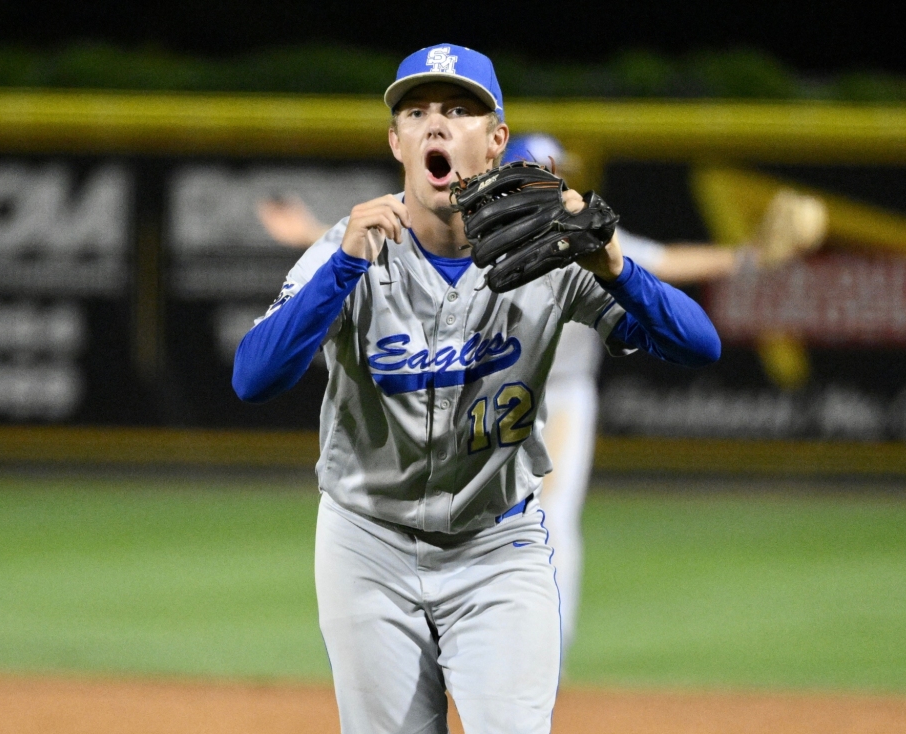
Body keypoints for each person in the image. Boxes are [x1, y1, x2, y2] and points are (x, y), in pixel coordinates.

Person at [233, 44, 720, 733]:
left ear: (495, 143)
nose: (437, 124)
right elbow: (253, 378)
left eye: (460, 110)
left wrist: (616, 267)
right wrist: (341, 270)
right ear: (396, 141)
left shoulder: (550, 250)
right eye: (418, 111)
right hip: (366, 543)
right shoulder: (350, 247)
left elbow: (699, 345)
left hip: (498, 545)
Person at [256, 131, 821, 660]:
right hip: (487, 381)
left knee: (551, 514)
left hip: (565, 393)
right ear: (505, 165)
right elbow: (394, 243)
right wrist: (313, 233)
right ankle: (448, 629)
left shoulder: (576, 226)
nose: (553, 177)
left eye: (559, 170)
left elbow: (666, 266)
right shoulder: (462, 222)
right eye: (540, 167)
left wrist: (746, 258)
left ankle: (547, 641)